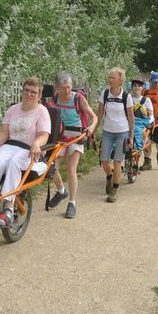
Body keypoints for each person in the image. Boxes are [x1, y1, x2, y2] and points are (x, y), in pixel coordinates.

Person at [0, 77, 51, 227]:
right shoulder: (13, 109)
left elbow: (44, 135)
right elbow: (3, 134)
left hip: (30, 149)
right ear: (22, 91)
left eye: (33, 92)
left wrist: (36, 143)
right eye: (26, 90)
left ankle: (8, 207)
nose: (29, 94)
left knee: (14, 163)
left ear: (39, 95)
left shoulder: (42, 112)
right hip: (10, 145)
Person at [47, 72, 98, 219]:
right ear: (57, 88)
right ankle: (62, 191)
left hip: (77, 137)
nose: (66, 91)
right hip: (60, 137)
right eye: (62, 88)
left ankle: (72, 203)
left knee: (71, 169)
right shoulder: (55, 98)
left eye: (68, 87)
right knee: (51, 168)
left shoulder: (78, 98)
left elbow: (93, 116)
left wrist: (91, 128)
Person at [96, 67, 135, 203]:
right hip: (107, 132)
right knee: (104, 161)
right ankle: (109, 176)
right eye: (109, 77)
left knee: (117, 161)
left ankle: (115, 190)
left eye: (113, 78)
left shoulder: (126, 96)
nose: (110, 80)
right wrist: (94, 129)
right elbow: (100, 113)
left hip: (122, 133)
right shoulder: (105, 94)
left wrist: (131, 136)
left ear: (120, 80)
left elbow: (131, 118)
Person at [130, 78, 154, 152]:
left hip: (141, 121)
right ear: (131, 87)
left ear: (142, 87)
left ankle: (138, 147)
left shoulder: (146, 100)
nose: (137, 87)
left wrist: (150, 121)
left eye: (139, 86)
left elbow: (151, 115)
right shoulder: (128, 98)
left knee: (136, 130)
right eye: (134, 86)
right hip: (130, 121)